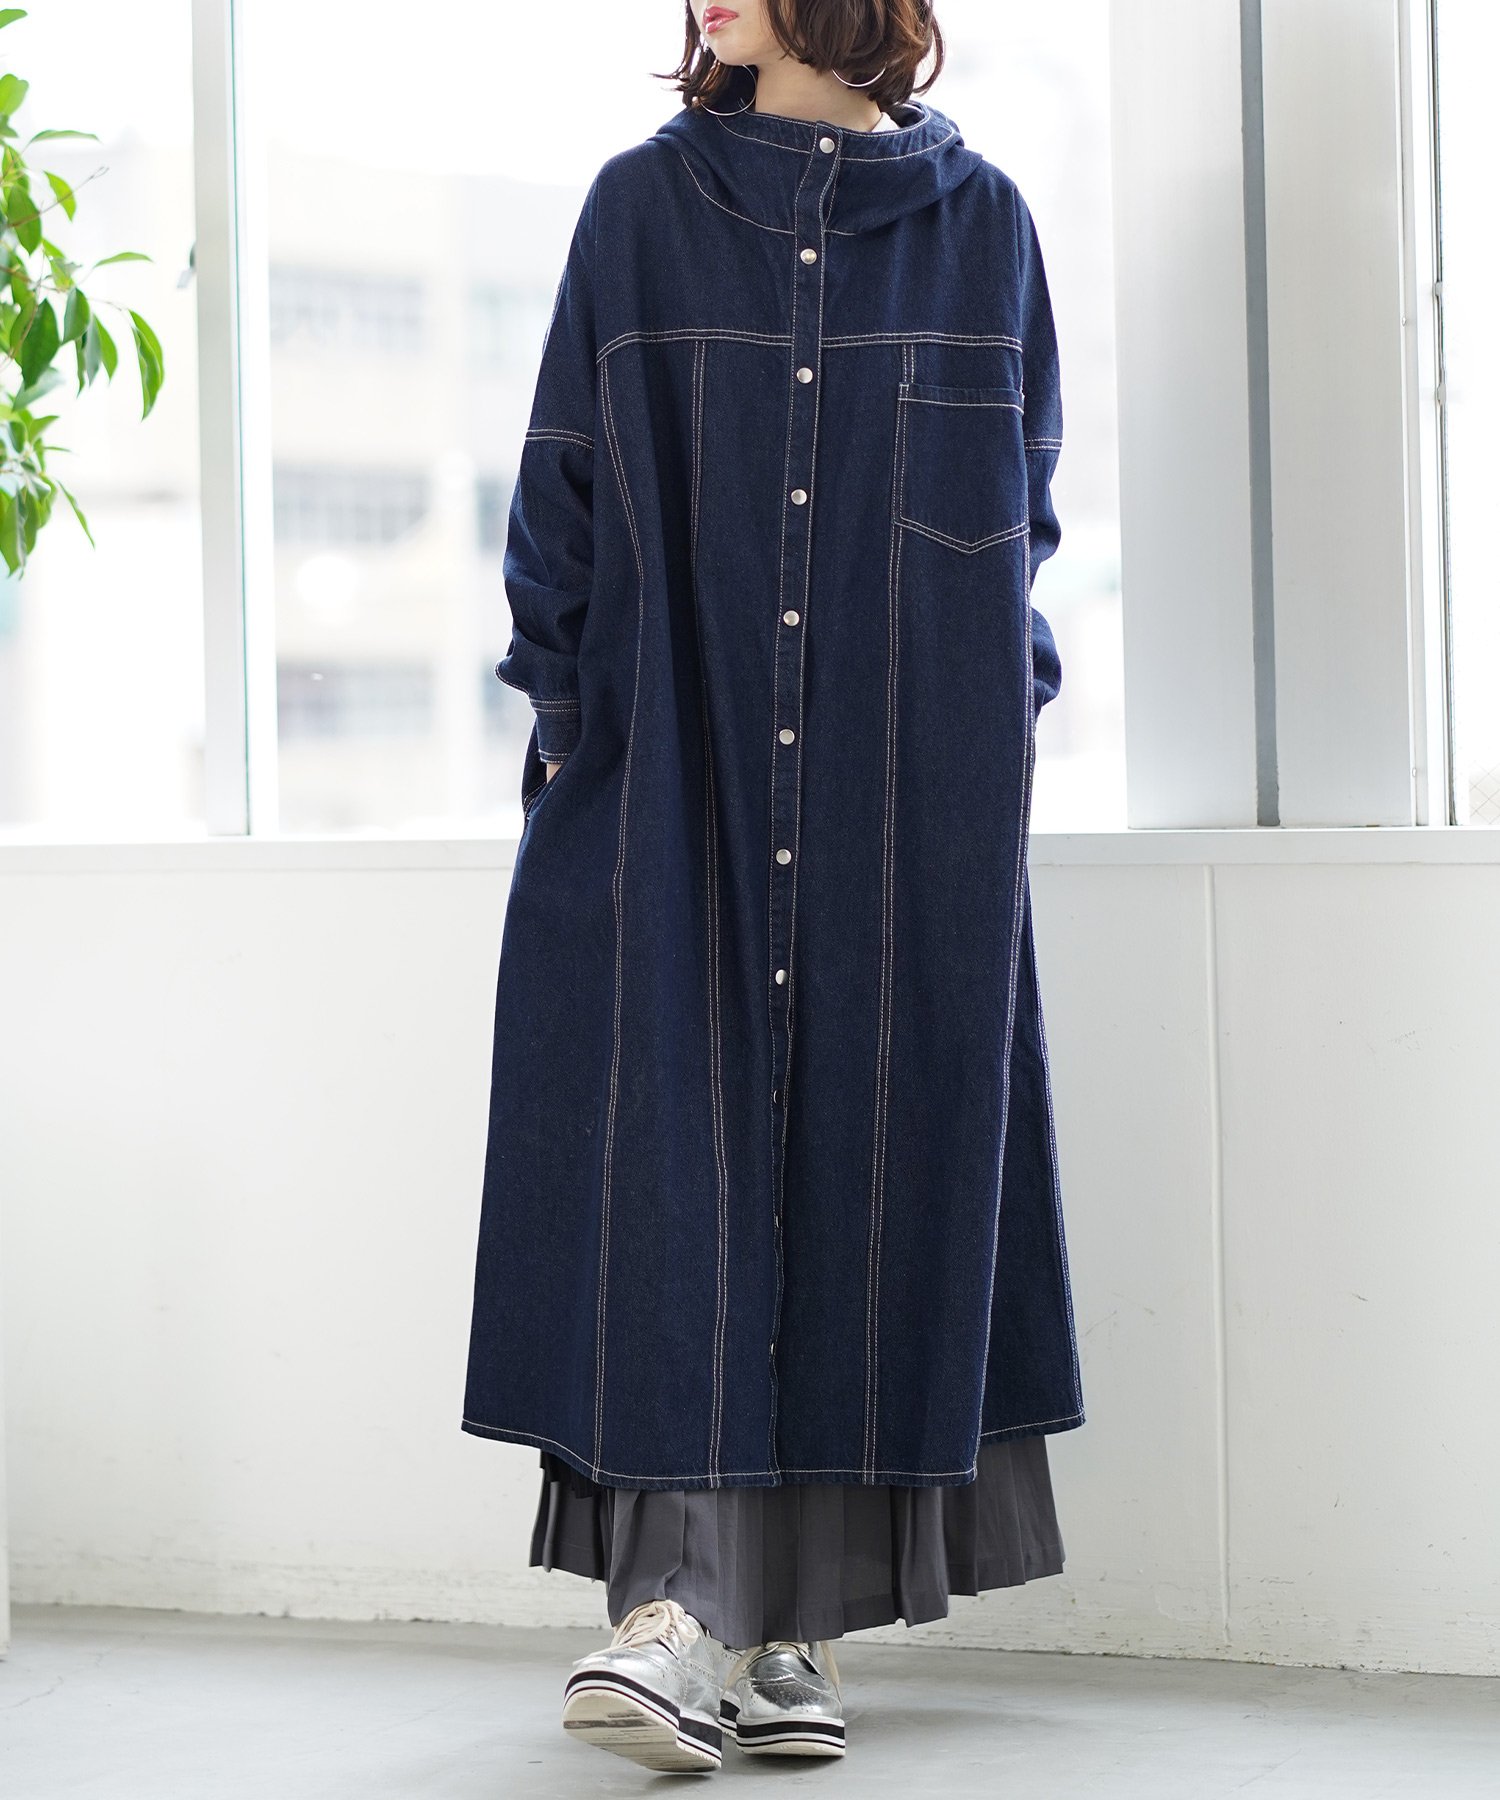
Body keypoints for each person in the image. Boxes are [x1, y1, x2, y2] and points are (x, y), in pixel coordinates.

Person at [463, 0, 1083, 1771]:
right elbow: (561, 496)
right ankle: (670, 1618)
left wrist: (994, 728)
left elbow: (1020, 517)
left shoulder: (983, 227)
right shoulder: (639, 210)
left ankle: (796, 1633)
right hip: (673, 773)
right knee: (667, 1183)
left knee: (871, 1179)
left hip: (909, 794)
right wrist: (575, 738)